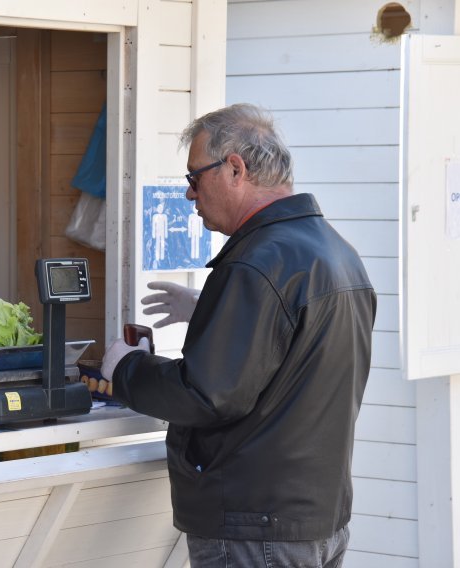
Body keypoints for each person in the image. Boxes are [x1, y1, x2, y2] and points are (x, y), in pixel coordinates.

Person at [101, 104, 376, 567]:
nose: (190, 195)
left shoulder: (257, 263)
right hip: (317, 521)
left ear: (234, 168)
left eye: (194, 178)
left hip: (255, 529)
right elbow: (295, 360)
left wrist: (125, 368)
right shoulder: (336, 252)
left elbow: (205, 396)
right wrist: (209, 309)